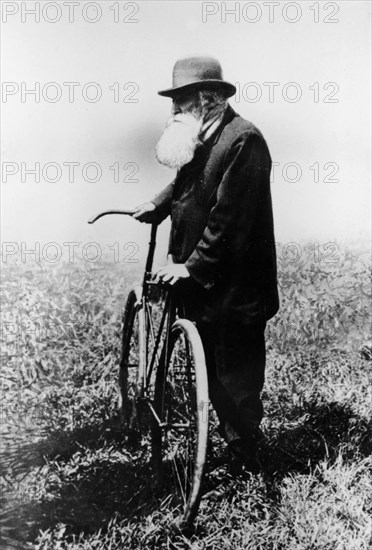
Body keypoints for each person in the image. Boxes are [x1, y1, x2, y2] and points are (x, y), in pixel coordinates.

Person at [133, 55, 279, 472]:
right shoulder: (203, 133)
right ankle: (224, 441)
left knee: (237, 378)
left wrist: (191, 267)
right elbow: (184, 181)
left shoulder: (243, 140)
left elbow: (229, 218)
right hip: (201, 279)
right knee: (210, 368)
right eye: (174, 101)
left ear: (210, 98)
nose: (174, 110)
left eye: (182, 100)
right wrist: (157, 205)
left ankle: (248, 460)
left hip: (235, 287)